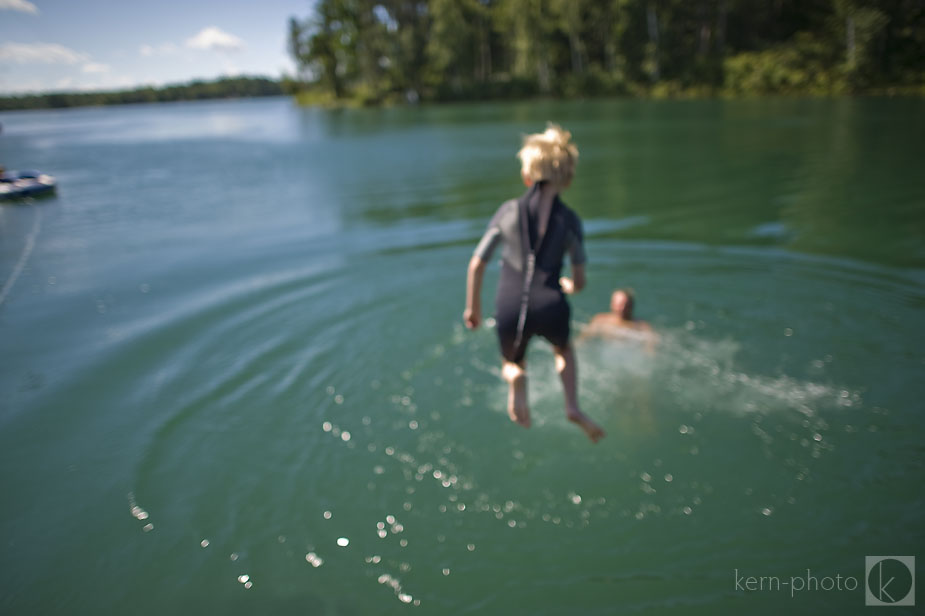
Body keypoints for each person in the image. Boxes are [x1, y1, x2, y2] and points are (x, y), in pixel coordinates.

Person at [464, 124, 605, 443]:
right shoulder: (569, 220)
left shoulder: (507, 212)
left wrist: (473, 308)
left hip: (510, 304)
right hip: (552, 303)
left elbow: (477, 264)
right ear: (568, 181)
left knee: (511, 360)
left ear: (527, 177)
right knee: (564, 350)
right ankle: (572, 405)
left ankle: (516, 378)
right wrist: (571, 285)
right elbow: (580, 278)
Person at [581, 288, 657, 351]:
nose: (622, 308)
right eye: (619, 305)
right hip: (607, 351)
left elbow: (651, 344)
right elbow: (584, 339)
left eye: (626, 305)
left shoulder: (641, 325)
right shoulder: (600, 320)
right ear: (612, 304)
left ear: (631, 306)